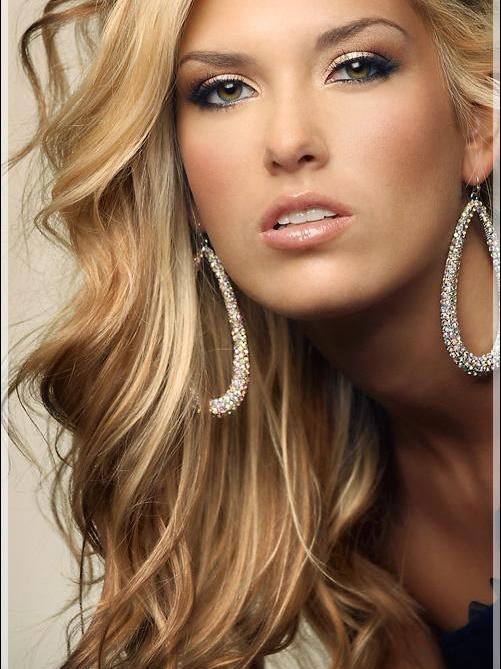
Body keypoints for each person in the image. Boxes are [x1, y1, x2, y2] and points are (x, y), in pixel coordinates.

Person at [8, 0, 499, 668]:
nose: (287, 141)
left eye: (356, 67)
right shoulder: (341, 501)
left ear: (478, 125)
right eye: (225, 91)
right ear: (183, 183)